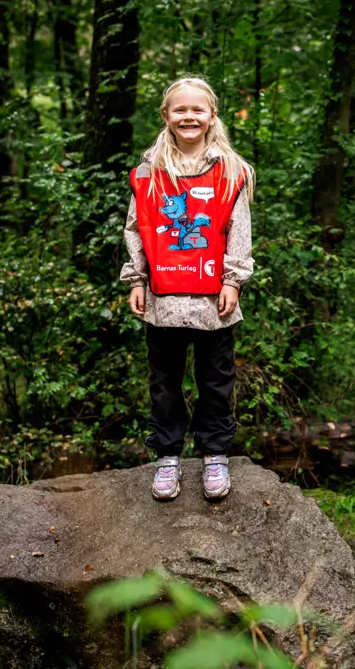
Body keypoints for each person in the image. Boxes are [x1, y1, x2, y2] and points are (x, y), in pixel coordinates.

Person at [121, 76, 255, 500]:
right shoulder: (148, 172)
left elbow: (239, 231)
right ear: (166, 116)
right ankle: (167, 456)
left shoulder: (230, 170)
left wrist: (233, 279)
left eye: (198, 109)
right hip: (163, 297)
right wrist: (137, 277)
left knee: (215, 381)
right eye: (180, 110)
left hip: (212, 298)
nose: (189, 116)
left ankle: (215, 454)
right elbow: (136, 228)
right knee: (164, 381)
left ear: (212, 115)